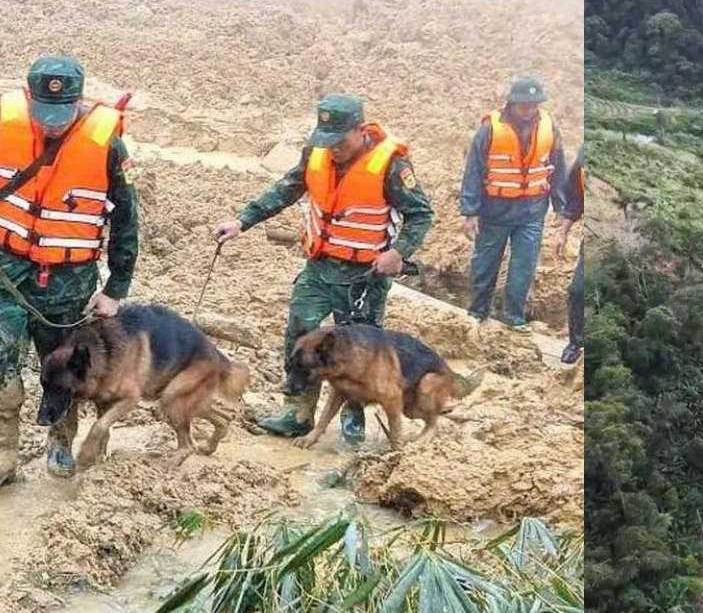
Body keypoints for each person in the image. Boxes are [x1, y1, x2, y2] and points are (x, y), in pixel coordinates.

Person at [213, 94, 434, 445]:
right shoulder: (316, 154)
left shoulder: (392, 166)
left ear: (360, 131)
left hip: (364, 277)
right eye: (327, 141)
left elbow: (422, 214)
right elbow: (285, 189)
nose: (333, 150)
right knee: (301, 333)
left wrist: (398, 252)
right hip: (319, 267)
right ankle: (298, 410)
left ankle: (353, 415)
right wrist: (243, 221)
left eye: (340, 142)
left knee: (360, 349)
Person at [0, 55, 140, 486]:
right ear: (30, 97)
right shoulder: (5, 124)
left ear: (78, 101)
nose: (52, 124)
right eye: (44, 114)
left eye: (62, 115)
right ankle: (1, 448)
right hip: (4, 271)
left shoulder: (108, 145)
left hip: (69, 280)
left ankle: (61, 440)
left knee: (66, 366)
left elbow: (126, 220)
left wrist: (116, 287)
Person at [459, 77, 567, 333]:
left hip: (532, 209)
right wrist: (470, 210)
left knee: (524, 265)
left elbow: (558, 167)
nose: (529, 109)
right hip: (495, 209)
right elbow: (473, 170)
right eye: (524, 105)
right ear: (511, 103)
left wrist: (561, 206)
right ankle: (477, 311)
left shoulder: (549, 127)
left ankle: (514, 317)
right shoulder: (490, 129)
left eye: (534, 104)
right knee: (485, 262)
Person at [552, 146, 584, 364]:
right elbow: (575, 201)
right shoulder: (581, 166)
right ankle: (575, 343)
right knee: (578, 290)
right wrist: (563, 231)